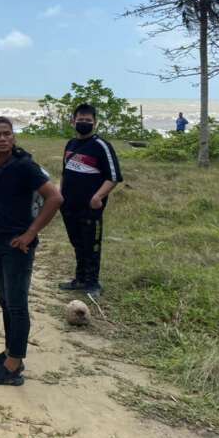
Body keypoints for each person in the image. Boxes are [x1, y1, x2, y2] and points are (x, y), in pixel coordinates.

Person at [0, 116, 62, 386]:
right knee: (5, 300)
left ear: (13, 137)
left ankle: (14, 366)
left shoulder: (24, 166)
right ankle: (9, 352)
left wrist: (31, 233)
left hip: (18, 246)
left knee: (17, 305)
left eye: (8, 133)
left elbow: (54, 198)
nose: (3, 138)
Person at [58, 103, 122, 297]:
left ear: (95, 123)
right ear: (73, 121)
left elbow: (114, 177)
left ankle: (93, 283)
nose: (84, 123)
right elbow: (65, 172)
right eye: (80, 120)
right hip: (69, 205)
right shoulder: (70, 144)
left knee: (91, 245)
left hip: (90, 207)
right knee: (77, 243)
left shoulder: (101, 146)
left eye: (88, 120)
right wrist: (60, 194)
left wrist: (98, 196)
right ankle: (80, 279)